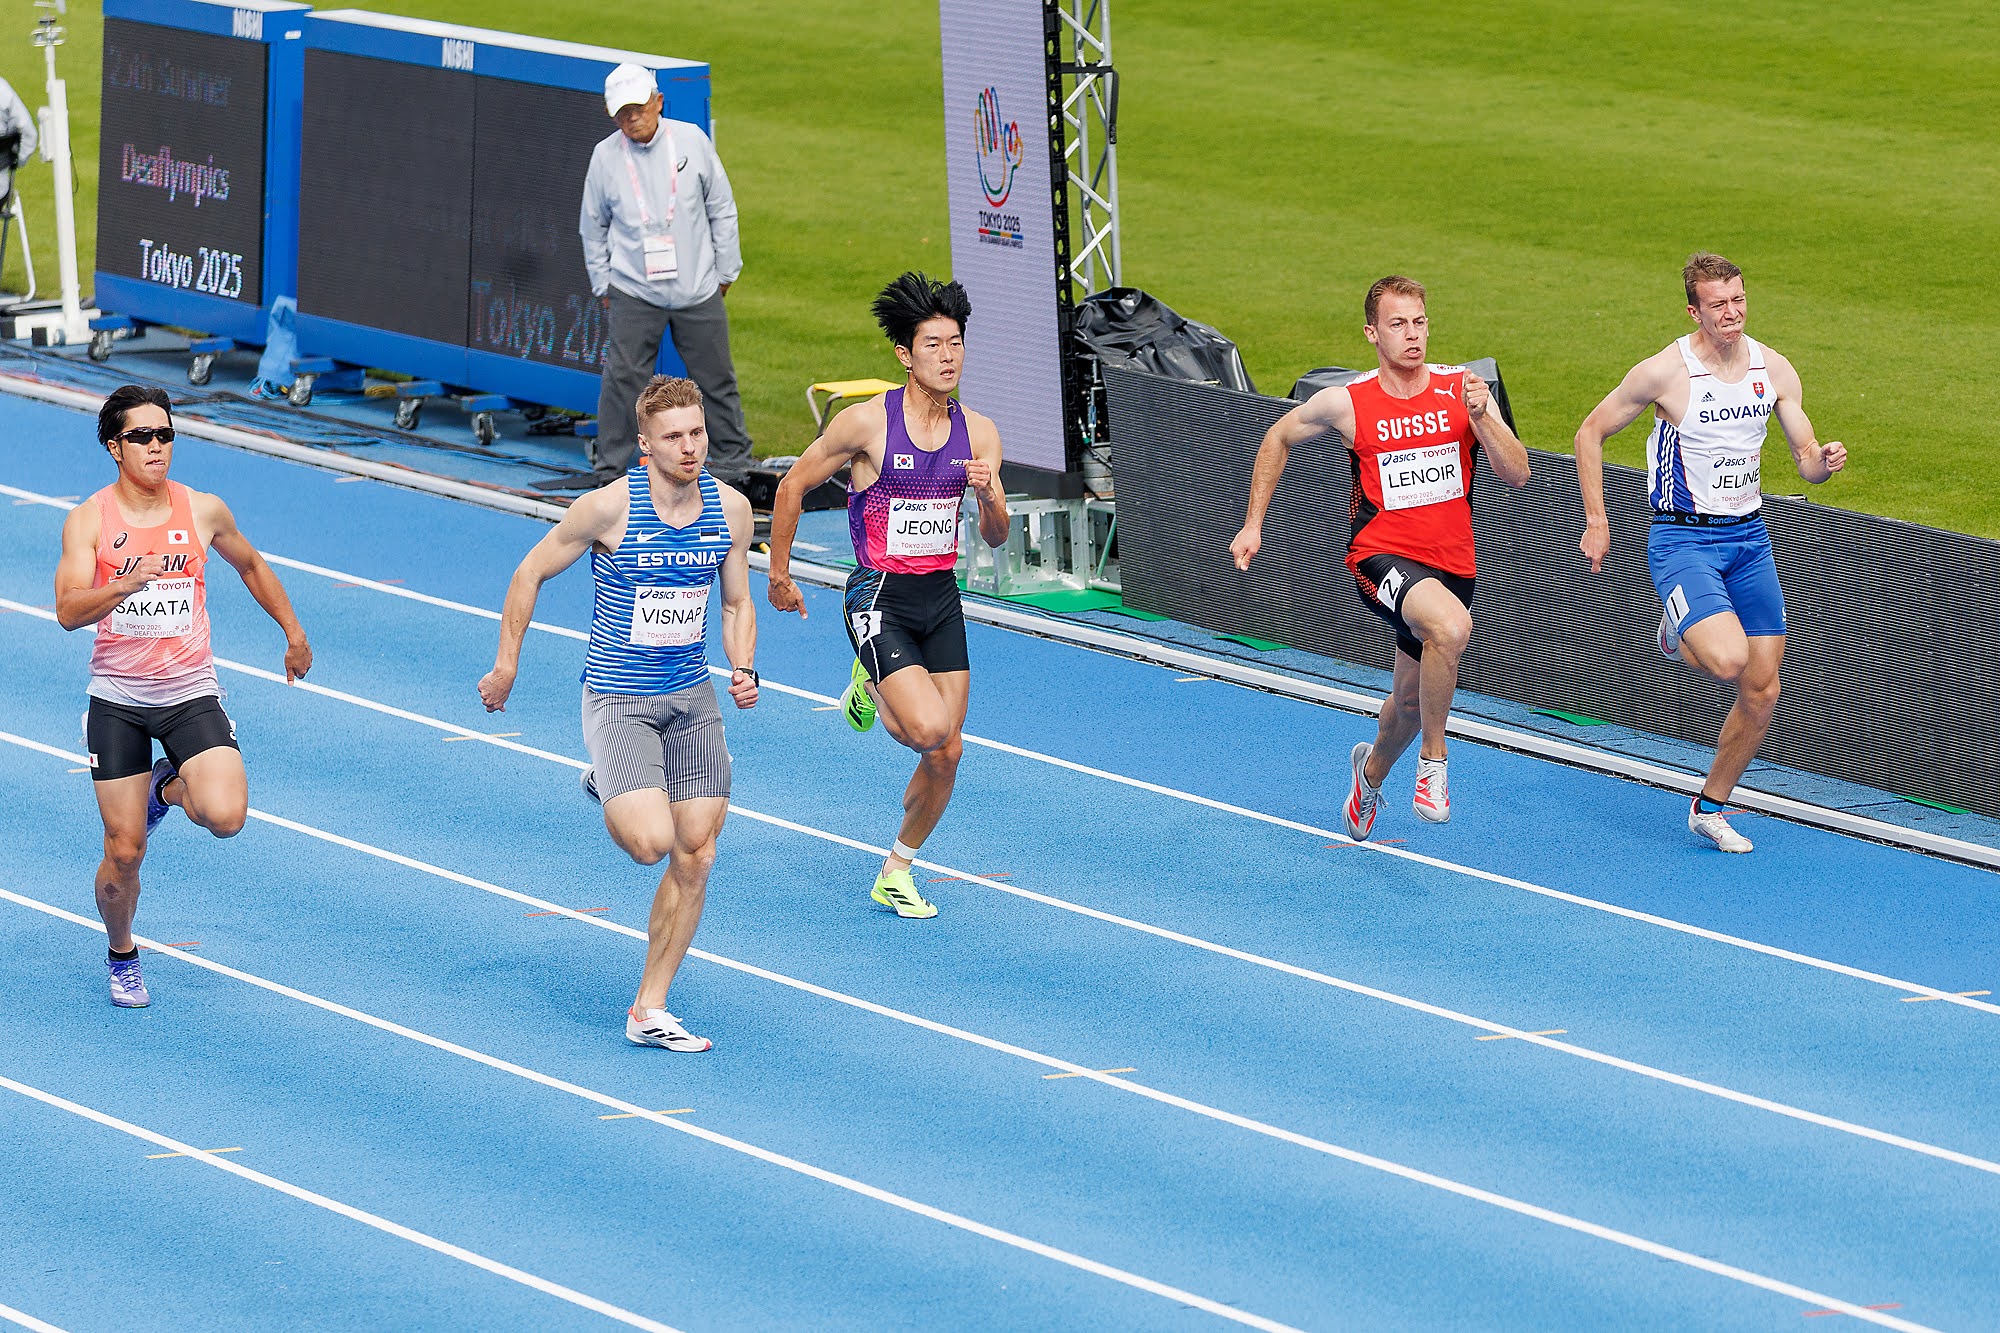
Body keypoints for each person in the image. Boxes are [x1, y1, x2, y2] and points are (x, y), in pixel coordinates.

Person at [479, 375, 758, 1050]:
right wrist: (507, 665)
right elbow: (529, 572)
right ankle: (609, 778)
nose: (690, 447)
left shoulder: (730, 509)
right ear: (644, 444)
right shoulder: (608, 509)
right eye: (674, 436)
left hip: (691, 697)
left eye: (697, 433)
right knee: (649, 844)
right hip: (619, 698)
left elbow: (734, 601)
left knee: (697, 852)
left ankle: (648, 1008)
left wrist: (743, 665)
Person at [1231, 276, 1531, 840]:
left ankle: (1368, 776)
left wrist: (1485, 417)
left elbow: (1517, 474)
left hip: (1453, 564)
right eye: (1398, 324)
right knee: (1451, 626)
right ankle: (1434, 764)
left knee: (1410, 703)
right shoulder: (1347, 402)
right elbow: (1277, 438)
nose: (1412, 335)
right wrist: (1253, 525)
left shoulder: (1462, 390)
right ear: (1372, 333)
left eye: (1419, 322)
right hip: (1379, 556)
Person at [1574, 252, 1847, 853]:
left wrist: (1823, 463)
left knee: (1763, 688)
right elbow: (1590, 432)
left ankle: (1711, 806)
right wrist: (1598, 520)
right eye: (1718, 304)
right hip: (1683, 539)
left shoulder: (1773, 368)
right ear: (1694, 311)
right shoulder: (1665, 372)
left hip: (1749, 540)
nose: (1732, 313)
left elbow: (1805, 460)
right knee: (1727, 662)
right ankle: (1678, 632)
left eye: (1739, 300)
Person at [53, 385, 313, 1008]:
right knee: (125, 851)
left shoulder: (202, 510)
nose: (157, 447)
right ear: (114, 447)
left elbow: (251, 565)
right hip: (118, 700)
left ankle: (166, 787)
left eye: (166, 434)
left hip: (190, 692)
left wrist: (293, 632)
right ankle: (122, 954)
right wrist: (123, 586)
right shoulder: (89, 520)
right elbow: (67, 610)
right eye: (142, 436)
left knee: (226, 817)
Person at [764, 272, 1009, 919]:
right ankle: (871, 679)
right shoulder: (868, 424)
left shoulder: (980, 434)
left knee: (947, 750)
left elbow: (996, 534)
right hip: (879, 593)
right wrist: (779, 574)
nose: (948, 357)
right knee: (926, 727)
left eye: (955, 343)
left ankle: (896, 869)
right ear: (905, 354)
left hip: (941, 596)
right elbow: (791, 487)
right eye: (933, 345)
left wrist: (990, 494)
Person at [580, 63, 750, 489]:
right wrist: (603, 283)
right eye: (622, 112)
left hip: (698, 287)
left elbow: (722, 208)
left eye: (638, 108)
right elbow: (592, 225)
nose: (632, 118)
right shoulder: (605, 156)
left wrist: (726, 270)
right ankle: (611, 473)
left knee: (716, 379)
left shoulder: (692, 141)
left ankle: (734, 467)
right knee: (622, 382)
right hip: (634, 289)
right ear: (611, 114)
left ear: (658, 102)